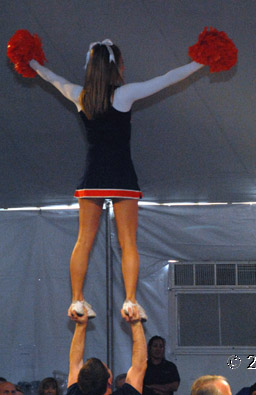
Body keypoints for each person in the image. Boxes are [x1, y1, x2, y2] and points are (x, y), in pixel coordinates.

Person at [29, 39, 206, 320]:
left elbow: (52, 79)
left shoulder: (80, 95)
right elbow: (167, 79)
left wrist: (31, 61)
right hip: (122, 175)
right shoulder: (125, 95)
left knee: (83, 241)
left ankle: (77, 299)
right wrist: (201, 62)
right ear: (116, 66)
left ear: (91, 67)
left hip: (93, 176)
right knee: (128, 243)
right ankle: (130, 301)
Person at [67, 304, 146, 395]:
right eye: (107, 368)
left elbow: (75, 363)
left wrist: (80, 325)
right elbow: (139, 366)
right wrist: (136, 323)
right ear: (109, 380)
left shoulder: (74, 393)